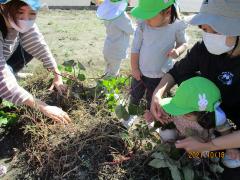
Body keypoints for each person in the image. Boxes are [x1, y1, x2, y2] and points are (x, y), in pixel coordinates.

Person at [150, 0, 240, 178]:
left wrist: (210, 146)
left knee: (231, 166)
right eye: (204, 30)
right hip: (206, 118)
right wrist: (157, 95)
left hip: (231, 131)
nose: (207, 36)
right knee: (186, 152)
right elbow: (175, 73)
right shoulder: (204, 49)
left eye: (213, 29)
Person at [0, 0, 71, 124]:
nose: (25, 18)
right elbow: (2, 78)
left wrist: (57, 75)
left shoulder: (20, 21)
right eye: (19, 11)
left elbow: (37, 44)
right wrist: (43, 106)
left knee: (28, 49)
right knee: (5, 81)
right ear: (3, 6)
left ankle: (12, 76)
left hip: (4, 56)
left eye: (32, 13)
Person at [123, 0, 188, 128]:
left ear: (167, 11)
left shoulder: (176, 26)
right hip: (141, 72)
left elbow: (183, 43)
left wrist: (177, 51)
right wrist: (135, 68)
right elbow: (135, 49)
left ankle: (151, 117)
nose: (146, 19)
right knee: (135, 94)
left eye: (150, 15)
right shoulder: (143, 25)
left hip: (161, 75)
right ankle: (132, 112)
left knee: (153, 98)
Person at [159, 76, 240, 168]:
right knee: (165, 133)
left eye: (184, 113)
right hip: (182, 135)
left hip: (202, 143)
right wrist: (162, 116)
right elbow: (169, 112)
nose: (180, 115)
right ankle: (173, 149)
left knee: (204, 154)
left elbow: (225, 131)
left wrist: (230, 148)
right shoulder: (181, 107)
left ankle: (202, 159)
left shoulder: (217, 116)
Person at [96, 0, 135, 76]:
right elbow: (131, 30)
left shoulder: (108, 12)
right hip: (116, 49)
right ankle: (108, 87)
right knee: (113, 73)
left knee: (108, 70)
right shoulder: (120, 15)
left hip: (108, 47)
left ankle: (103, 85)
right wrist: (138, 27)